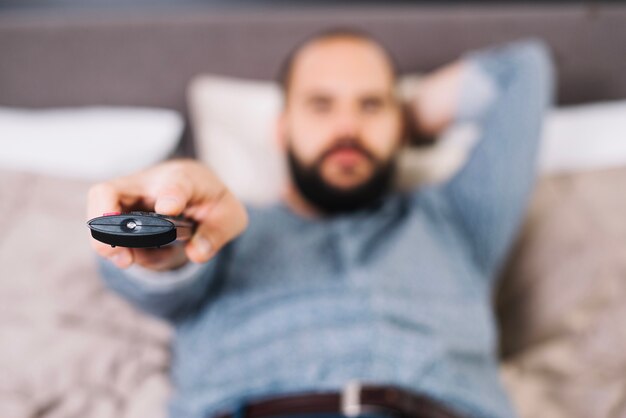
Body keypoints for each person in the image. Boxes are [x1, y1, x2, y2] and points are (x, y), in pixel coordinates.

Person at [87, 29, 554, 418]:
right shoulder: (226, 227)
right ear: (281, 128)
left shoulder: (456, 220)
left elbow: (523, 71)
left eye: (372, 105)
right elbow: (146, 273)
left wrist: (407, 117)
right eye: (321, 105)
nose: (347, 126)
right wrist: (159, 234)